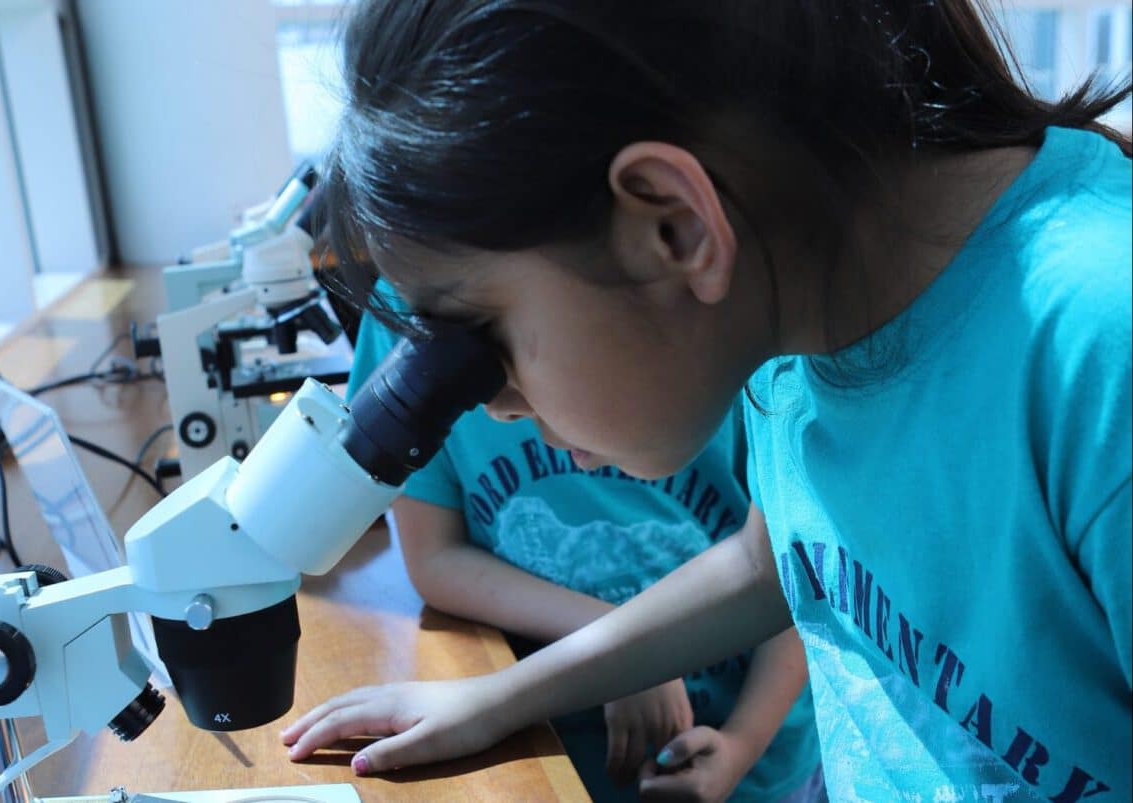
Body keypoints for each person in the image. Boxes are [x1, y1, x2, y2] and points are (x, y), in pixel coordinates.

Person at [282, 1, 1133, 800]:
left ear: (675, 228)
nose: (493, 409)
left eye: (484, 341)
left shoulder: (1098, 348)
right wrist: (501, 696)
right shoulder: (792, 298)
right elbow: (771, 566)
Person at [344, 289, 822, 801]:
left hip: (756, 756)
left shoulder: (771, 355)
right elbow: (434, 556)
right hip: (555, 745)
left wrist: (740, 744)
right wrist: (625, 655)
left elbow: (787, 572)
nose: (499, 408)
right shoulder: (404, 300)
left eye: (497, 342)